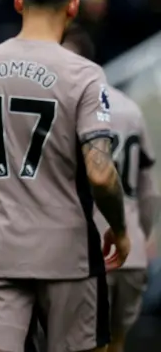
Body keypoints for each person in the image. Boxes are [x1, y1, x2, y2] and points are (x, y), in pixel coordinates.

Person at [0, 0, 129, 352]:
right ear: (74, 6)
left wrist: (4, 205)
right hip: (67, 253)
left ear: (18, 0)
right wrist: (118, 228)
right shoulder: (84, 74)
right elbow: (100, 174)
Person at [62, 25, 161, 352]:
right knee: (115, 345)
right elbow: (150, 192)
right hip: (129, 253)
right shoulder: (130, 108)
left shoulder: (67, 112)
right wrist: (138, 236)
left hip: (88, 252)